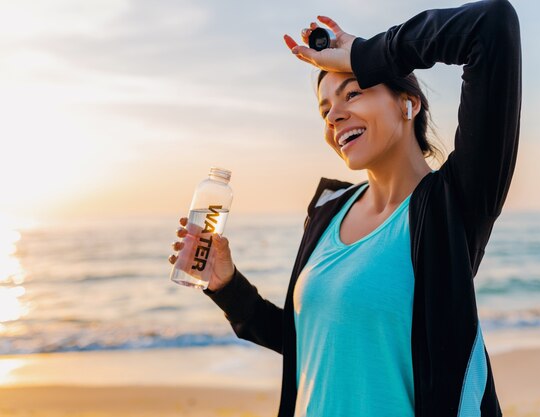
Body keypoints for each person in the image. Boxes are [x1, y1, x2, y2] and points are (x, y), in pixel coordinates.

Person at [168, 0, 521, 415]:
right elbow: (316, 343)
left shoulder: (452, 203)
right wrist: (228, 287)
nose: (334, 115)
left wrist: (366, 52)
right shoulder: (328, 209)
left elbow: (491, 25)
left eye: (353, 92)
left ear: (408, 103)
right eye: (324, 110)